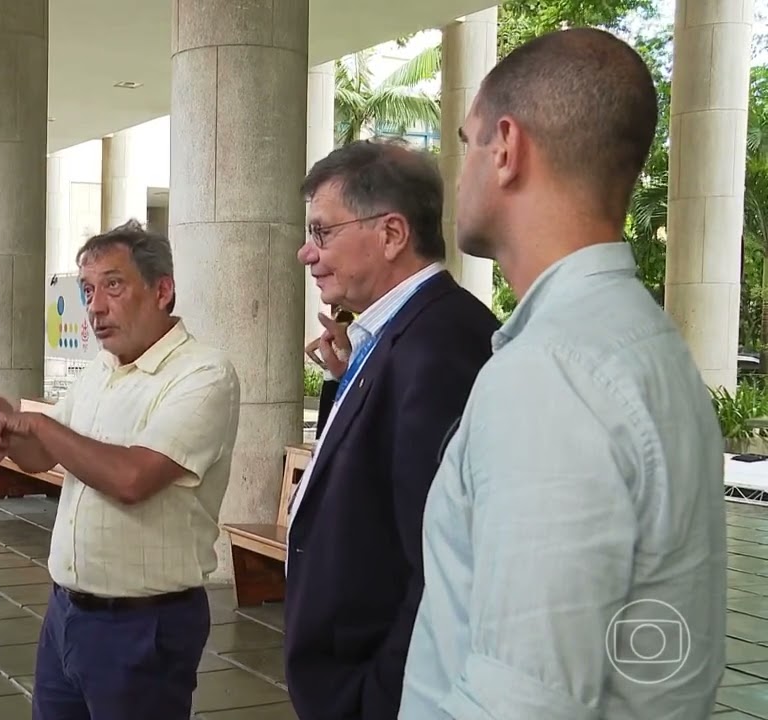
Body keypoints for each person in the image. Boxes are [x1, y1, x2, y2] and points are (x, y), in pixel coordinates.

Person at [401, 28, 726, 719]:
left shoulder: (551, 374)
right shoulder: (642, 342)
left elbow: (521, 702)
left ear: (507, 148)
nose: (460, 176)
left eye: (466, 144)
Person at [0, 220, 240, 720]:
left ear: (162, 290)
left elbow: (133, 478)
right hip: (67, 613)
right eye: (87, 290)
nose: (95, 306)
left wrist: (39, 428)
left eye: (113, 285)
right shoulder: (102, 369)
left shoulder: (204, 374)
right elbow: (46, 456)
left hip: (142, 627)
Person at [286, 140, 499, 720]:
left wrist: (376, 697)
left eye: (322, 232)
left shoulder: (441, 344)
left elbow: (438, 560)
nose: (306, 252)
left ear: (391, 234)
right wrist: (344, 377)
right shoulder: (396, 334)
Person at [304, 306, 354, 438]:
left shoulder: (329, 337)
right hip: (340, 382)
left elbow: (309, 349)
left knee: (326, 418)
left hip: (331, 381)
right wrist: (322, 364)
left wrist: (321, 364)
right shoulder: (347, 337)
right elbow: (308, 348)